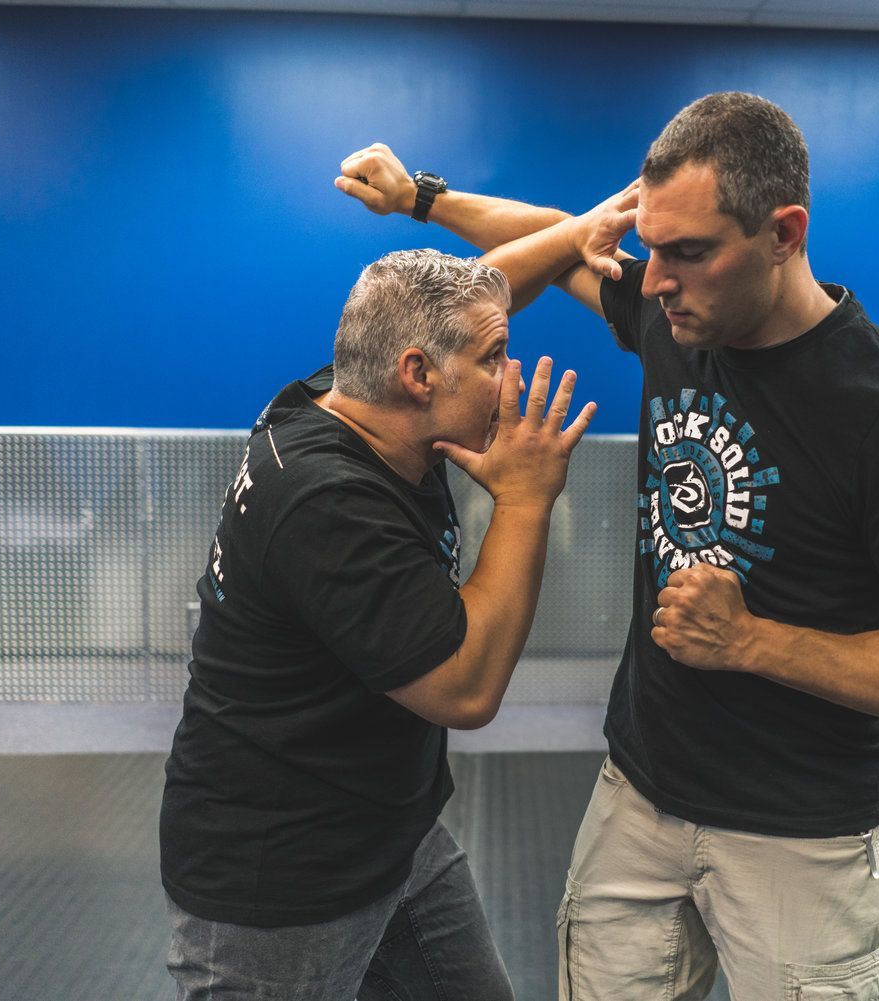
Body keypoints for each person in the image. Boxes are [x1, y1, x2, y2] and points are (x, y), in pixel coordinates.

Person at [336, 92, 879, 1001]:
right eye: (651, 247)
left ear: (784, 234)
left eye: (689, 252)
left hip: (801, 834)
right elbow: (563, 237)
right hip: (640, 795)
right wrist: (420, 198)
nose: (654, 278)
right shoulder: (679, 314)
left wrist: (753, 641)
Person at [159, 249, 596, 1001]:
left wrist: (574, 234)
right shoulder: (329, 501)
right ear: (418, 375)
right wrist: (525, 499)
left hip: (390, 837)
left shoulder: (344, 397)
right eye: (495, 358)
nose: (510, 380)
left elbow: (446, 312)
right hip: (282, 876)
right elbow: (463, 688)